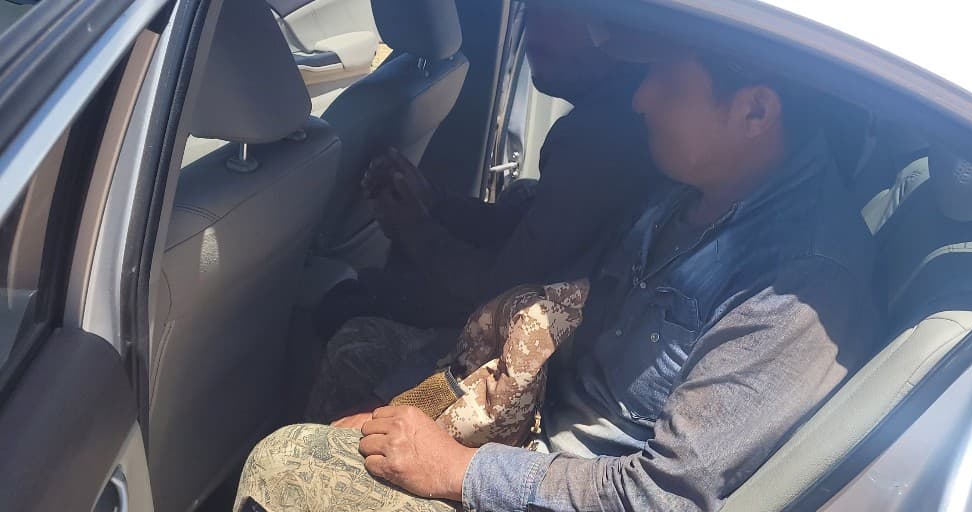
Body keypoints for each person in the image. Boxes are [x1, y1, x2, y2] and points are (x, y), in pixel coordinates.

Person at [237, 30, 879, 512]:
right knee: (361, 349)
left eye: (670, 85)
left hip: (581, 484)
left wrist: (458, 469)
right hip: (543, 426)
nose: (640, 98)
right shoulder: (689, 187)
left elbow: (659, 495)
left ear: (755, 113)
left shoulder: (797, 284)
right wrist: (422, 404)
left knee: (284, 463)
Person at [303, 5, 663, 423]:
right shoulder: (604, 119)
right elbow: (527, 227)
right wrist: (434, 202)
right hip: (547, 315)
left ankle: (316, 449)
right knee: (364, 296)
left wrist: (414, 228)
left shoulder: (601, 140)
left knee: (351, 331)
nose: (531, 21)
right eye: (529, 7)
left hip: (536, 360)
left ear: (615, 28)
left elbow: (501, 288)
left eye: (556, 9)